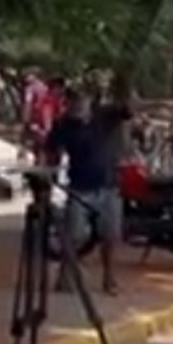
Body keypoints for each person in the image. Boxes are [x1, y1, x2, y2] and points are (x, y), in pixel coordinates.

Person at [47, 79, 131, 294]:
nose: (78, 103)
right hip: (79, 186)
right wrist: (50, 175)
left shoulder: (104, 115)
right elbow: (52, 151)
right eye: (73, 99)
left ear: (89, 100)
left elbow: (127, 111)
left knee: (110, 235)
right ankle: (65, 278)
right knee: (74, 235)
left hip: (107, 185)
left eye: (81, 98)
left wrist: (123, 100)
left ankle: (109, 279)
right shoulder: (63, 124)